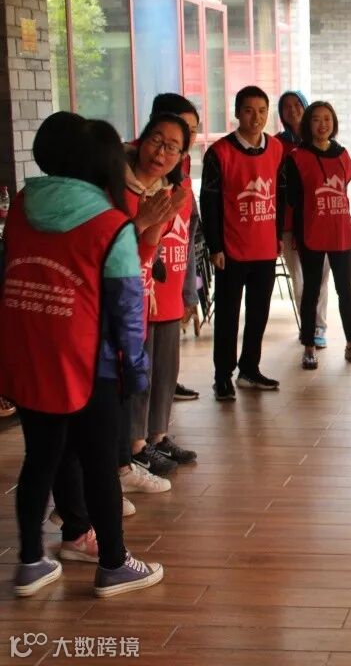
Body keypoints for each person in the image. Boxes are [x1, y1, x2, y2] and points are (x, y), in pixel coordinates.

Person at [0, 113, 164, 598]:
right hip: (91, 364)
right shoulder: (111, 224)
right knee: (98, 464)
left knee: (40, 460)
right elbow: (127, 308)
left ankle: (31, 562)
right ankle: (113, 564)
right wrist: (136, 370)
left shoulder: (22, 205)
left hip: (29, 355)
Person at [124, 113, 200, 479]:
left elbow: (186, 242)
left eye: (173, 147)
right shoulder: (119, 188)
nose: (161, 153)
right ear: (142, 139)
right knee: (139, 376)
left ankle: (157, 436)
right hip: (135, 298)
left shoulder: (177, 192)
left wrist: (189, 292)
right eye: (157, 141)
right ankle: (135, 444)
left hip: (168, 294)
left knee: (165, 373)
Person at [200, 85, 286, 401]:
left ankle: (250, 368)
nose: (256, 117)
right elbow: (208, 202)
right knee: (227, 316)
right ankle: (222, 376)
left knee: (259, 312)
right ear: (237, 113)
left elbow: (280, 194)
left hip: (264, 247)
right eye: (249, 111)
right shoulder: (219, 153)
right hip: (231, 250)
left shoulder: (276, 149)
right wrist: (215, 247)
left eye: (262, 111)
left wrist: (277, 235)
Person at [285, 101, 351, 368]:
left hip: (341, 232)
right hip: (311, 232)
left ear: (334, 123)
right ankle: (309, 347)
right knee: (311, 291)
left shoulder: (343, 155)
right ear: (308, 124)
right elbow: (293, 199)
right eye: (316, 119)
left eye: (327, 119)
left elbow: (345, 183)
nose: (323, 124)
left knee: (346, 290)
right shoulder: (297, 157)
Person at [148, 93, 205, 403]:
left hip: (172, 284)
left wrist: (189, 292)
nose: (188, 137)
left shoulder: (182, 172)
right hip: (143, 290)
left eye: (193, 130)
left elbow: (188, 235)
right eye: (183, 127)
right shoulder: (133, 172)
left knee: (164, 373)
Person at [276, 90, 331, 347]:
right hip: (290, 223)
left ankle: (319, 326)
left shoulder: (321, 142)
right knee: (299, 278)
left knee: (321, 277)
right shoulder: (277, 145)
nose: (292, 110)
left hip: (320, 221)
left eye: (297, 104)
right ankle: (308, 326)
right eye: (286, 106)